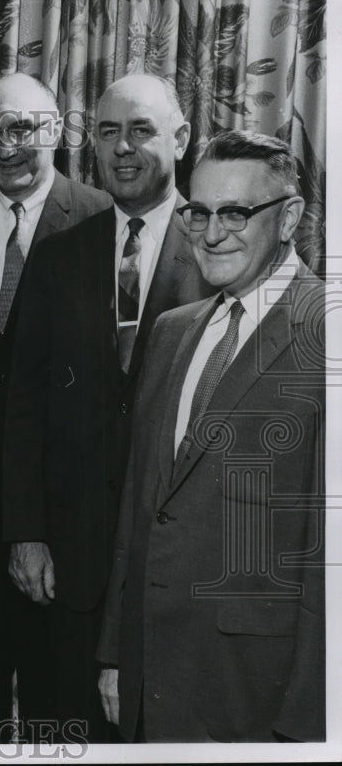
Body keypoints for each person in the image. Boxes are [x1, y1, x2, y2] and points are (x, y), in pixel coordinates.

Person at [1, 74, 215, 742]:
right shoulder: (58, 255)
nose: (122, 148)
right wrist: (25, 530)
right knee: (63, 727)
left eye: (141, 130)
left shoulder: (218, 253)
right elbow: (23, 405)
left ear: (181, 138)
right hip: (69, 560)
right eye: (107, 131)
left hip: (174, 564)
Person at [97, 131, 325, 742]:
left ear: (289, 219)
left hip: (261, 692)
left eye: (235, 213)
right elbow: (142, 507)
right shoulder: (173, 330)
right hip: (153, 675)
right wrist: (117, 654)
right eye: (199, 213)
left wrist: (311, 721)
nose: (213, 233)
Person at [0, 72, 110, 739]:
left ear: (57, 131)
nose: (6, 146)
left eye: (23, 129)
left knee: (57, 697)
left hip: (66, 510)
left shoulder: (100, 218)